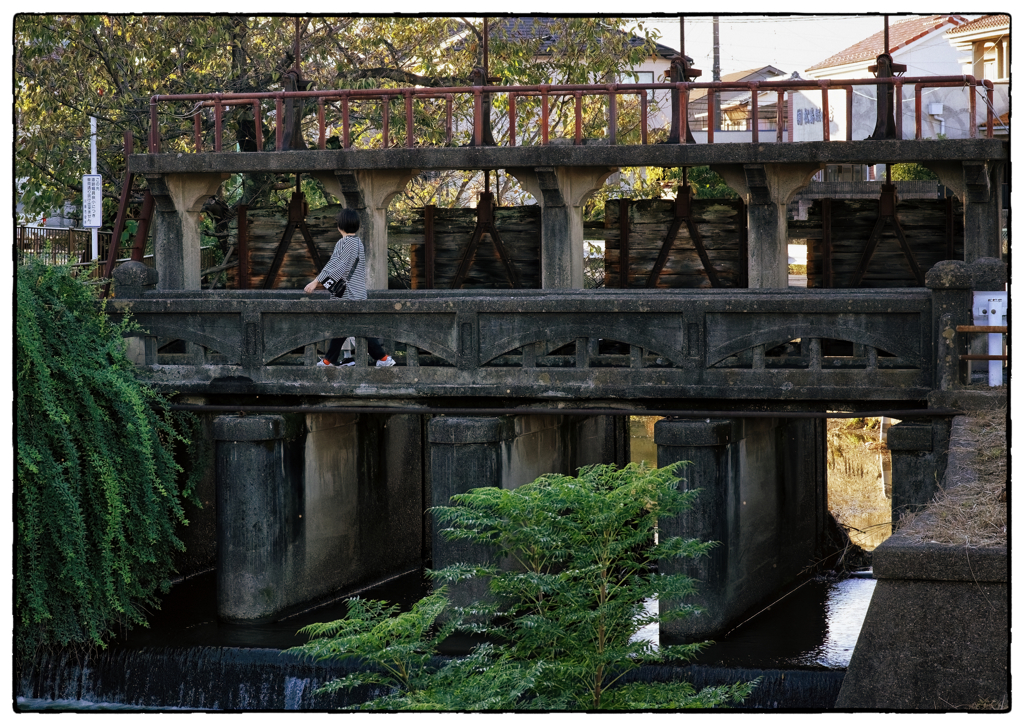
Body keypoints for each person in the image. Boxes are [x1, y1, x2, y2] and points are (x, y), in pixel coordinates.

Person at [304, 208, 395, 367]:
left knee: (349, 327)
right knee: (347, 326)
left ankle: (382, 358)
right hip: (358, 291)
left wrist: (316, 282)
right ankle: (333, 360)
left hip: (348, 293)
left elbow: (338, 266)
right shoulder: (358, 242)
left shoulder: (344, 242)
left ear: (340, 225)